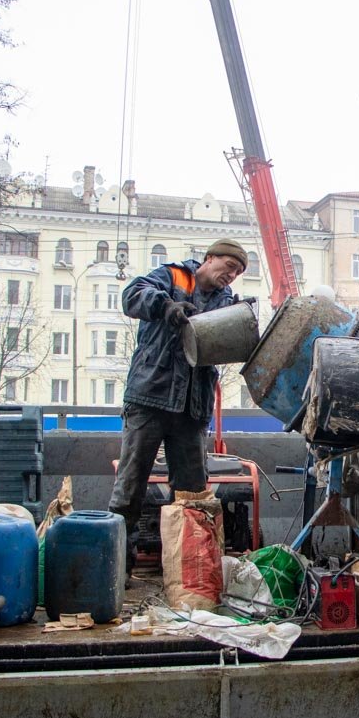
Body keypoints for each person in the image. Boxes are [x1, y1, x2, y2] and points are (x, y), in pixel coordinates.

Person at [108, 237, 248, 569]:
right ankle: (116, 567)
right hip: (150, 397)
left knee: (192, 494)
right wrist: (166, 306)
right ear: (210, 258)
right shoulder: (172, 276)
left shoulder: (226, 302)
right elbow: (131, 296)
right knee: (130, 487)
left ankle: (186, 573)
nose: (231, 275)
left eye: (238, 272)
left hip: (190, 409)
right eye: (229, 266)